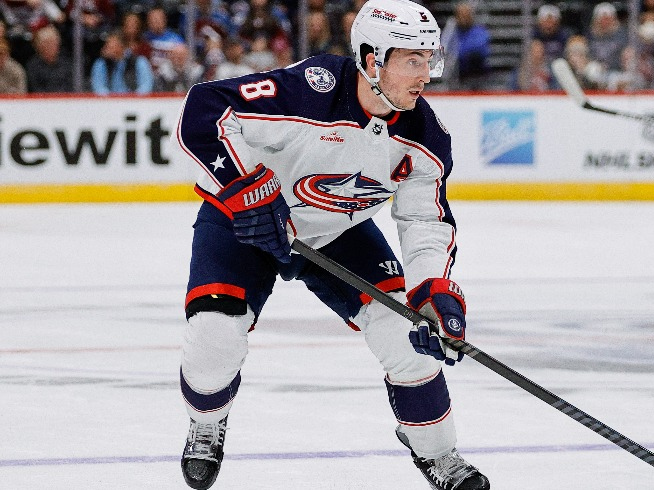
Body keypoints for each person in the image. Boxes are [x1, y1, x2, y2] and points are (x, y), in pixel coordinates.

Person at [173, 0, 491, 489]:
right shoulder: (310, 89)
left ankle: (439, 455)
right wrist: (246, 189)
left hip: (338, 232)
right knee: (215, 339)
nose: (426, 75)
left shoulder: (426, 135)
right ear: (370, 60)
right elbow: (205, 109)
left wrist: (433, 290)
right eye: (412, 61)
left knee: (404, 332)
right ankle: (207, 423)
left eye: (430, 60)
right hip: (244, 221)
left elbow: (425, 219)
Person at [90, 30, 154, 95]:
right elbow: (98, 86)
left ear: (121, 46)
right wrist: (111, 99)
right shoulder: (101, 63)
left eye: (110, 45)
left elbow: (146, 86)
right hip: (109, 102)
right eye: (107, 45)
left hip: (134, 102)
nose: (106, 48)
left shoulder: (140, 61)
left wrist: (132, 100)